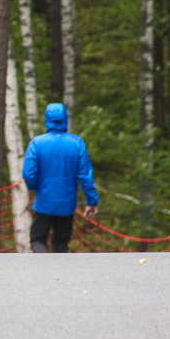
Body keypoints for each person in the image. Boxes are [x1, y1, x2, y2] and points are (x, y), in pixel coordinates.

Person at [22, 103, 98, 253]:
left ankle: (42, 268)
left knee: (37, 240)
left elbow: (28, 173)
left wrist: (34, 188)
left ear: (46, 119)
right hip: (67, 205)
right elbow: (85, 176)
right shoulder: (76, 143)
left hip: (43, 203)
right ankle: (59, 270)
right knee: (61, 243)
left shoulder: (37, 143)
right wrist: (91, 201)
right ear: (65, 119)